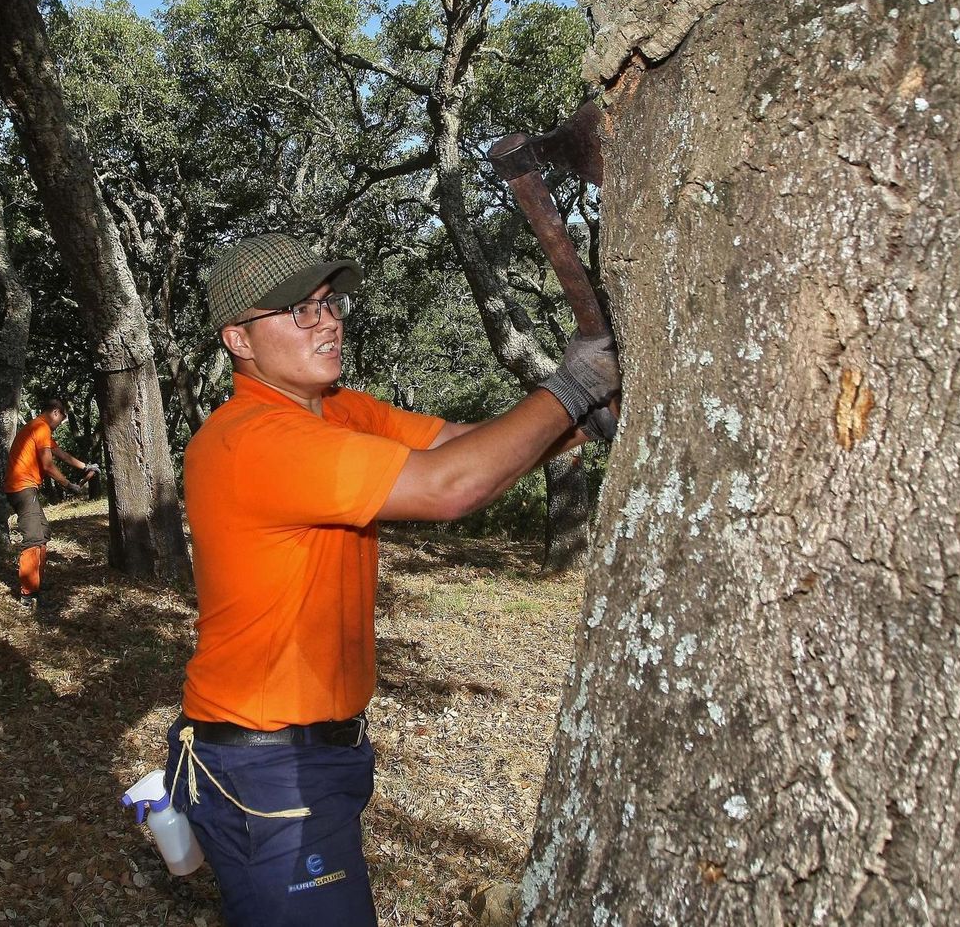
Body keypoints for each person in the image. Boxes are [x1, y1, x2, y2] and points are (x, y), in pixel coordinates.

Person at [163, 233, 619, 926]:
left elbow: (459, 444)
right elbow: (449, 488)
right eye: (298, 311)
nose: (328, 320)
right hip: (267, 771)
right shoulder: (252, 439)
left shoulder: (338, 408)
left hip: (318, 755)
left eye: (327, 302)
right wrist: (573, 385)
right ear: (239, 340)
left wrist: (586, 420)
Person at [1, 398, 99, 608]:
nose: (60, 423)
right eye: (62, 419)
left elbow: (59, 453)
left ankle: (35, 585)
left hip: (23, 487)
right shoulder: (41, 427)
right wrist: (67, 484)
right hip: (23, 487)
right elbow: (47, 465)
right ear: (56, 412)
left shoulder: (36, 427)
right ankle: (28, 594)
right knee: (35, 537)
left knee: (42, 532)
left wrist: (85, 466)